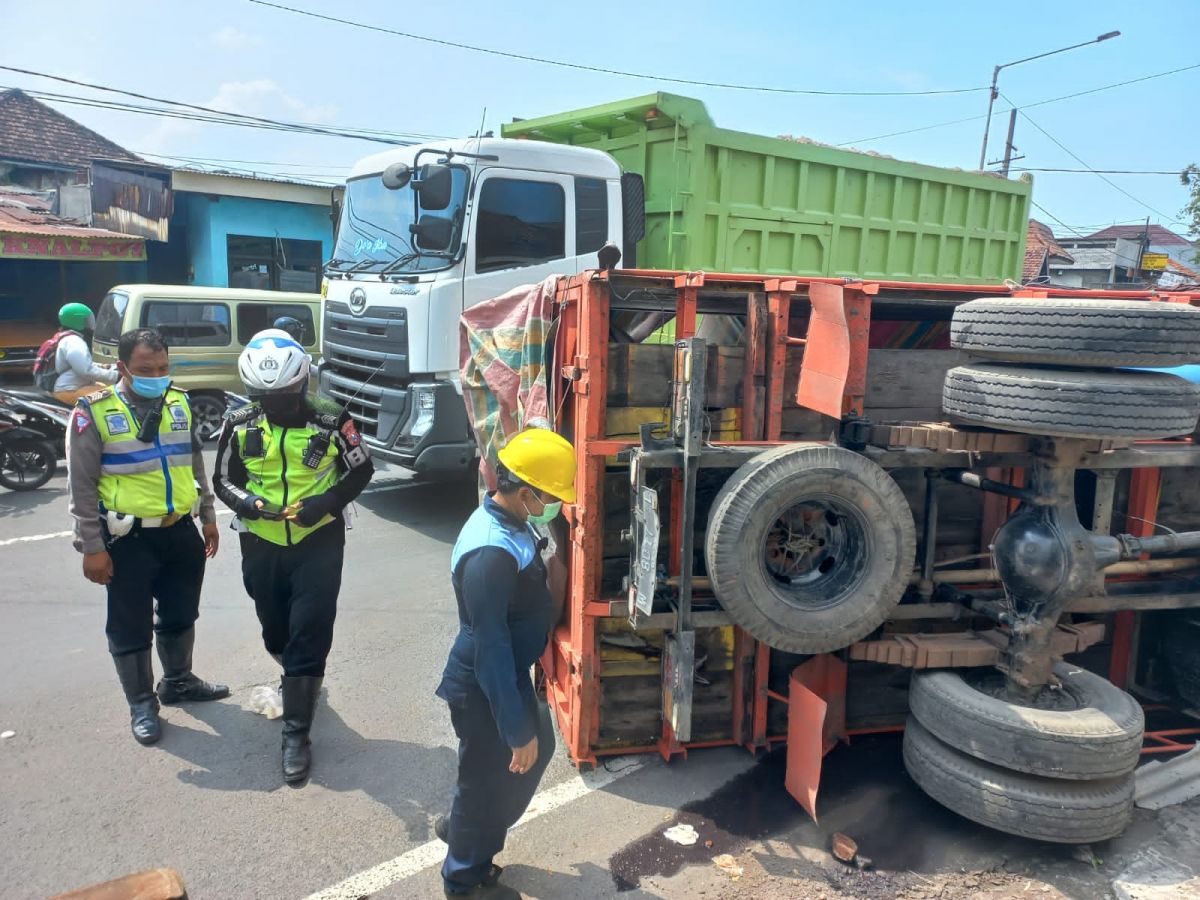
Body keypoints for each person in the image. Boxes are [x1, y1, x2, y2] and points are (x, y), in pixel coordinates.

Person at [212, 329, 373, 783]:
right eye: (265, 396)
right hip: (260, 541)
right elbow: (223, 479)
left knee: (310, 628)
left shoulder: (331, 418)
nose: (275, 404)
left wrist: (327, 503)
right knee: (275, 630)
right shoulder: (240, 420)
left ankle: (296, 733)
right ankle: (300, 677)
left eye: (283, 395)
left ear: (302, 384)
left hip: (318, 541)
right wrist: (249, 503)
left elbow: (362, 470)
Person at [66, 328, 227, 746]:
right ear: (122, 368)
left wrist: (207, 515)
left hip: (180, 533)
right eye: (145, 369)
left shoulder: (179, 403)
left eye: (162, 368)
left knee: (180, 613)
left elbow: (193, 463)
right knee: (129, 625)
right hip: (127, 540)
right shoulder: (93, 411)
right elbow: (81, 487)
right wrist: (92, 548)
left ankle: (177, 681)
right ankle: (141, 703)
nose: (156, 375)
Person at [436, 427, 577, 900]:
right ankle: (462, 878)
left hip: (503, 675)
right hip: (484, 683)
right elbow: (489, 646)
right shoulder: (490, 553)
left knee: (521, 759)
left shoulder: (515, 520)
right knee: (485, 781)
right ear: (525, 492)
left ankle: (468, 835)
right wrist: (514, 729)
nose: (557, 504)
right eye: (553, 496)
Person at [48, 302, 119, 404]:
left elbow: (79, 364)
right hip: (71, 391)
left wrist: (101, 366)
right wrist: (117, 376)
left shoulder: (67, 338)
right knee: (113, 396)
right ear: (78, 321)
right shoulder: (74, 342)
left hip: (72, 387)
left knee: (105, 388)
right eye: (87, 319)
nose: (90, 322)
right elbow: (86, 371)